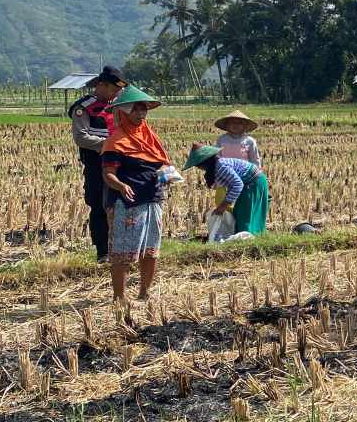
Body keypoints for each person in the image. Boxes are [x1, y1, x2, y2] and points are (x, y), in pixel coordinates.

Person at [101, 86, 170, 304]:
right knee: (122, 252)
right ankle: (119, 297)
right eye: (136, 110)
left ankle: (144, 292)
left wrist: (167, 176)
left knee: (151, 250)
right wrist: (120, 185)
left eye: (143, 109)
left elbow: (162, 165)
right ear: (123, 112)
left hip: (153, 199)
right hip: (127, 203)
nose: (141, 114)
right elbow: (108, 174)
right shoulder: (115, 141)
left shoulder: (151, 138)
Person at [68, 66, 125, 261]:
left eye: (118, 91)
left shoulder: (119, 106)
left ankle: (122, 248)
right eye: (113, 90)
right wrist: (108, 145)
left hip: (119, 163)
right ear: (101, 85)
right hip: (96, 164)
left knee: (120, 204)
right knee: (99, 204)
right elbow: (81, 137)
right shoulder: (83, 108)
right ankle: (103, 251)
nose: (115, 94)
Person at [182, 143, 270, 237]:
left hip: (254, 183)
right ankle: (246, 236)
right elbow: (232, 185)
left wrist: (224, 205)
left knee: (245, 213)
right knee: (239, 211)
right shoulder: (217, 166)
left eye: (198, 165)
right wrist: (226, 202)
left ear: (205, 162)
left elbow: (237, 184)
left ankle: (247, 238)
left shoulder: (221, 167)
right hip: (250, 183)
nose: (198, 167)